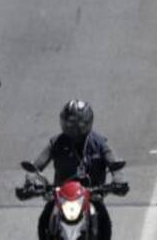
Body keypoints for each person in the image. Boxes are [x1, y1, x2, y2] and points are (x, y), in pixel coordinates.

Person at [29, 100, 125, 240]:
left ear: (86, 123)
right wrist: (30, 179)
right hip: (62, 196)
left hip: (92, 195)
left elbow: (113, 162)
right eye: (69, 124)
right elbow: (37, 165)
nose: (72, 128)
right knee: (45, 217)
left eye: (77, 124)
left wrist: (118, 179)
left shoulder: (99, 143)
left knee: (103, 221)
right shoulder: (56, 142)